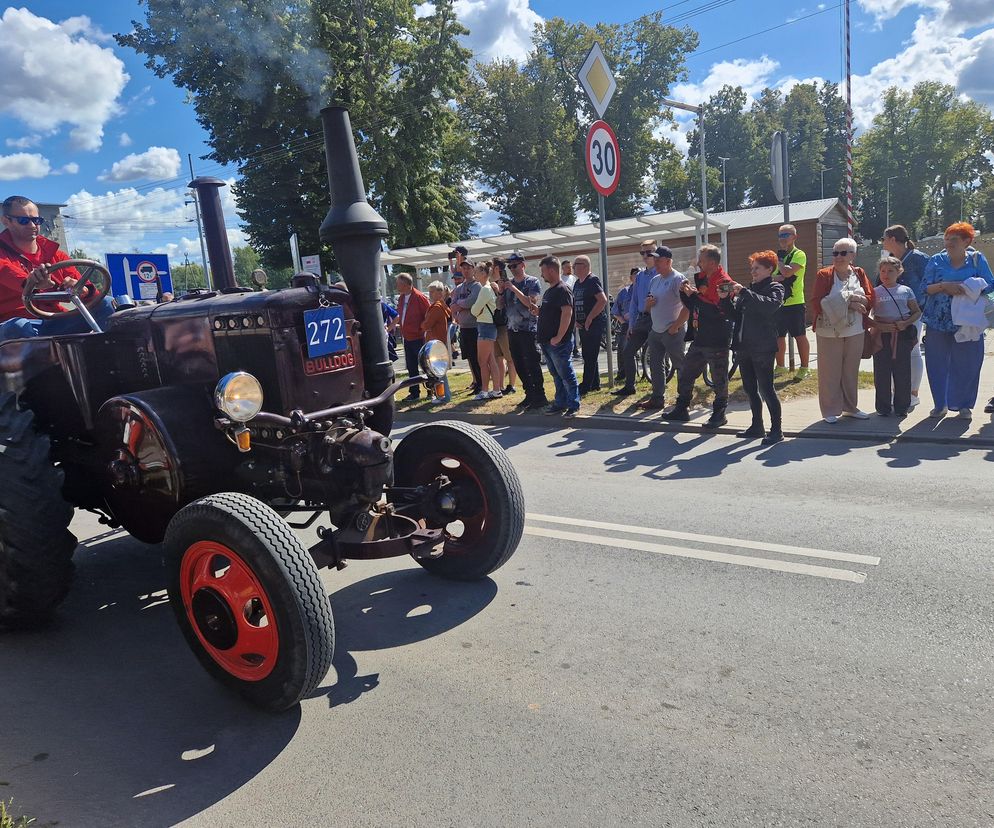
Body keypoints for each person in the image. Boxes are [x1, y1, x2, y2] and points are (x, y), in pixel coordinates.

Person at [0, 195, 114, 341]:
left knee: (106, 304)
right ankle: (41, 362)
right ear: (6, 221)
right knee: (18, 326)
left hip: (54, 321)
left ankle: (111, 358)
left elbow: (90, 292)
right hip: (13, 323)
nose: (33, 226)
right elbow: (7, 272)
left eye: (37, 220)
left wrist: (82, 289)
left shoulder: (56, 255)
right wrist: (32, 283)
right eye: (24, 221)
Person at [919, 222, 994, 418]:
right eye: (946, 239)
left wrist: (966, 287)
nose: (948, 243)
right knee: (937, 362)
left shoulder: (977, 260)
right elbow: (925, 287)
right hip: (938, 319)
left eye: (953, 240)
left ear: (967, 241)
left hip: (967, 321)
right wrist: (944, 286)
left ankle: (963, 405)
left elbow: (990, 284)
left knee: (968, 363)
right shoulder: (936, 260)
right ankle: (940, 404)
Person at [664, 244, 736, 429]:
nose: (698, 264)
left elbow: (716, 310)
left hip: (717, 338)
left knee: (719, 378)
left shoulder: (723, 281)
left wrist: (693, 296)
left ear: (712, 262)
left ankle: (719, 413)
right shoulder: (704, 278)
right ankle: (681, 408)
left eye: (701, 260)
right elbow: (694, 305)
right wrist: (685, 292)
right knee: (687, 372)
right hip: (701, 336)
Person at [809, 237, 874, 423]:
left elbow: (870, 296)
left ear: (853, 255)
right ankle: (830, 410)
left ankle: (851, 407)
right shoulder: (824, 275)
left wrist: (857, 301)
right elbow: (817, 302)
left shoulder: (859, 273)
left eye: (843, 253)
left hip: (855, 331)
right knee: (830, 371)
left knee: (850, 371)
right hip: (830, 331)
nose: (838, 257)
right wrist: (850, 302)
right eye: (836, 253)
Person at [730, 251, 786, 444]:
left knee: (766, 388)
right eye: (752, 268)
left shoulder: (775, 287)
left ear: (769, 269)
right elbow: (735, 316)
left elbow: (770, 306)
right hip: (744, 346)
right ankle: (756, 425)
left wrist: (745, 293)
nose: (752, 272)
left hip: (763, 346)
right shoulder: (749, 290)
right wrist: (724, 299)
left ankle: (776, 429)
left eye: (757, 268)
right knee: (749, 388)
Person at [883, 225, 929, 409]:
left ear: (893, 239)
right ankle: (897, 392)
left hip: (913, 314)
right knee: (894, 354)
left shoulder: (918, 258)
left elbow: (929, 283)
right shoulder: (890, 260)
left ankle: (913, 393)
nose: (883, 242)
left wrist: (919, 307)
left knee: (912, 351)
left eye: (884, 238)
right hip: (891, 315)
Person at [870, 256, 922, 417]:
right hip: (881, 337)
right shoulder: (875, 292)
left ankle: (902, 407)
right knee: (881, 372)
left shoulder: (906, 291)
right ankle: (883, 407)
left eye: (890, 271)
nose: (886, 274)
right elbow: (868, 317)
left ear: (899, 272)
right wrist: (880, 326)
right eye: (883, 271)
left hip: (902, 336)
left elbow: (916, 312)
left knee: (902, 372)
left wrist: (905, 323)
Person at [639, 246, 687, 411]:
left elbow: (687, 307)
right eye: (655, 259)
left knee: (680, 365)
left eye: (659, 260)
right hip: (656, 330)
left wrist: (675, 326)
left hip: (672, 331)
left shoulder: (678, 279)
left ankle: (683, 400)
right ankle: (657, 398)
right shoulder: (655, 280)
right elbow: (648, 305)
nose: (656, 262)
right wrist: (648, 305)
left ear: (668, 261)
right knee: (655, 364)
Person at [503, 251, 548, 410]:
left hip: (528, 329)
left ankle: (539, 395)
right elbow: (501, 306)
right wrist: (500, 291)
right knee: (518, 363)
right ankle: (529, 393)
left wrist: (514, 289)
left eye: (514, 265)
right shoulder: (508, 283)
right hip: (512, 329)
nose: (512, 269)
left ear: (523, 265)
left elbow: (531, 303)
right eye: (510, 266)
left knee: (532, 362)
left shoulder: (532, 282)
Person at [613, 239, 658, 396]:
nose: (645, 256)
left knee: (656, 356)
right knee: (628, 351)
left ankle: (658, 392)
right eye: (643, 253)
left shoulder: (661, 273)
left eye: (649, 252)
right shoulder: (639, 276)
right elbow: (634, 302)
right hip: (642, 319)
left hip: (657, 318)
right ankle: (629, 386)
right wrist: (631, 324)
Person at [536, 255, 579, 417]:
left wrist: (559, 337)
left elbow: (567, 314)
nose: (542, 275)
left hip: (558, 342)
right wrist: (538, 312)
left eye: (543, 271)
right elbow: (551, 313)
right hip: (547, 341)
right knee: (556, 374)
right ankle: (560, 403)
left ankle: (573, 404)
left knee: (566, 374)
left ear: (552, 270)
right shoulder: (549, 291)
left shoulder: (563, 289)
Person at [772, 223, 810, 376]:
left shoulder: (799, 254)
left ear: (794, 237)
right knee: (778, 336)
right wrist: (779, 273)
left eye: (786, 235)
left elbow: (787, 274)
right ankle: (780, 366)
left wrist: (781, 263)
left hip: (795, 302)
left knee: (799, 335)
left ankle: (804, 368)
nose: (782, 238)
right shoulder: (776, 257)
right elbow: (772, 277)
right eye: (780, 235)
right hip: (778, 303)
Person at [571, 255, 607, 394]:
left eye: (576, 265)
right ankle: (594, 383)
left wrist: (590, 318)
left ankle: (586, 385)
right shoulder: (577, 283)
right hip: (582, 324)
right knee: (588, 354)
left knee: (590, 354)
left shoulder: (592, 280)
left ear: (585, 266)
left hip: (594, 323)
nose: (573, 268)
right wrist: (575, 320)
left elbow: (602, 300)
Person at [395, 272, 430, 400]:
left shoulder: (419, 297)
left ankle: (431, 390)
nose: (396, 287)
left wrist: (420, 328)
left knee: (425, 365)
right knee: (411, 367)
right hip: (407, 338)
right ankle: (414, 392)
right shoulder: (402, 298)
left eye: (398, 284)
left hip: (419, 338)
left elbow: (428, 315)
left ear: (405, 285)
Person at [471, 263, 504, 400]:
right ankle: (496, 390)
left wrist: (477, 311)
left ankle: (485, 391)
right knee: (491, 360)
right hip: (489, 326)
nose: (474, 274)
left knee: (483, 361)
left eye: (477, 272)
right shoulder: (490, 287)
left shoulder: (485, 289)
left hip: (485, 326)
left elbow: (474, 310)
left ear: (484, 273)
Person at [451, 257, 482, 393]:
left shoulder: (477, 286)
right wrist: (460, 305)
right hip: (463, 328)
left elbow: (472, 301)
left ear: (473, 269)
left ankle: (482, 384)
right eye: (464, 268)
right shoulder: (458, 288)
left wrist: (460, 304)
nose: (466, 270)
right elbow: (452, 305)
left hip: (476, 327)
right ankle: (476, 382)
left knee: (478, 358)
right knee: (469, 357)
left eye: (469, 268)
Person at [490, 258, 518, 395]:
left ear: (496, 268)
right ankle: (500, 385)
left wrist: (499, 290)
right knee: (497, 357)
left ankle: (511, 385)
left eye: (491, 266)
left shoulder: (507, 283)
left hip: (504, 325)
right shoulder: (489, 284)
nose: (489, 269)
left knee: (510, 357)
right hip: (493, 325)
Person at [422, 280, 452, 403]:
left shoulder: (437, 308)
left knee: (438, 372)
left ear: (439, 293)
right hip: (438, 342)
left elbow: (426, 325)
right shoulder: (441, 306)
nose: (429, 294)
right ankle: (442, 395)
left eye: (432, 291)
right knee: (439, 371)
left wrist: (423, 324)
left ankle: (443, 396)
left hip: (436, 343)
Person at [612, 268, 638, 382]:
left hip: (642, 323)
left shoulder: (646, 290)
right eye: (635, 275)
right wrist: (623, 322)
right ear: (631, 277)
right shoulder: (624, 292)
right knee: (622, 345)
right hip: (626, 324)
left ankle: (665, 369)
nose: (638, 277)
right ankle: (622, 372)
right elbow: (615, 311)